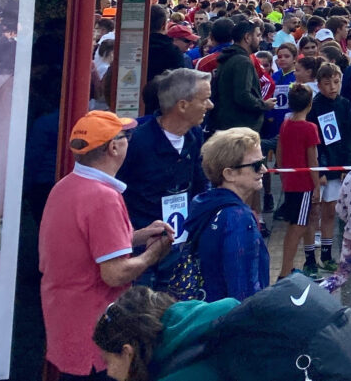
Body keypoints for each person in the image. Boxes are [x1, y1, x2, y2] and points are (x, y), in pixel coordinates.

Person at [40, 111, 175, 380]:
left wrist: (141, 235)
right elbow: (114, 274)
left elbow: (88, 244)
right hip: (97, 333)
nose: (129, 141)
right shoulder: (103, 197)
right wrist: (152, 255)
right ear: (113, 147)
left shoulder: (65, 187)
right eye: (127, 136)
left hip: (65, 322)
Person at [117, 69, 211, 233]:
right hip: (142, 237)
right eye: (204, 100)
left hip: (182, 234)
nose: (210, 105)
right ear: (182, 105)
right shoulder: (134, 142)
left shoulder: (195, 134)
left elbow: (199, 182)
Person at [188, 127, 271, 302]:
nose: (264, 169)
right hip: (230, 315)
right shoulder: (238, 217)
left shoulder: (204, 203)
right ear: (229, 174)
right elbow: (244, 292)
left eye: (263, 161)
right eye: (256, 165)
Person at [92, 285, 239, 381]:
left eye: (107, 361)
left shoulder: (177, 373)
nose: (109, 372)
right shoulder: (222, 312)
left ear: (127, 352)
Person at [310, 61, 351, 277]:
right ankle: (312, 256)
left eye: (336, 82)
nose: (333, 87)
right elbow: (315, 143)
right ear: (319, 84)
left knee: (331, 211)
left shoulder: (344, 104)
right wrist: (321, 170)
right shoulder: (314, 107)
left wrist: (347, 164)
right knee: (316, 212)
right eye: (327, 83)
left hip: (339, 164)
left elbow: (348, 136)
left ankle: (327, 255)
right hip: (322, 166)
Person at [274, 83, 321, 280]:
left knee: (296, 224)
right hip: (303, 183)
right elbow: (312, 160)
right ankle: (285, 271)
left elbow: (279, 150)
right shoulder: (309, 128)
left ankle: (289, 268)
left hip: (290, 181)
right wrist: (316, 186)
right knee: (298, 227)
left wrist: (283, 174)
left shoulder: (286, 123)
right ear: (310, 104)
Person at [209, 20, 273, 133]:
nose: (261, 39)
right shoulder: (242, 61)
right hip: (239, 127)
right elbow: (243, 95)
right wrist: (264, 105)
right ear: (247, 37)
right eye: (258, 35)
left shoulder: (230, 57)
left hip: (228, 125)